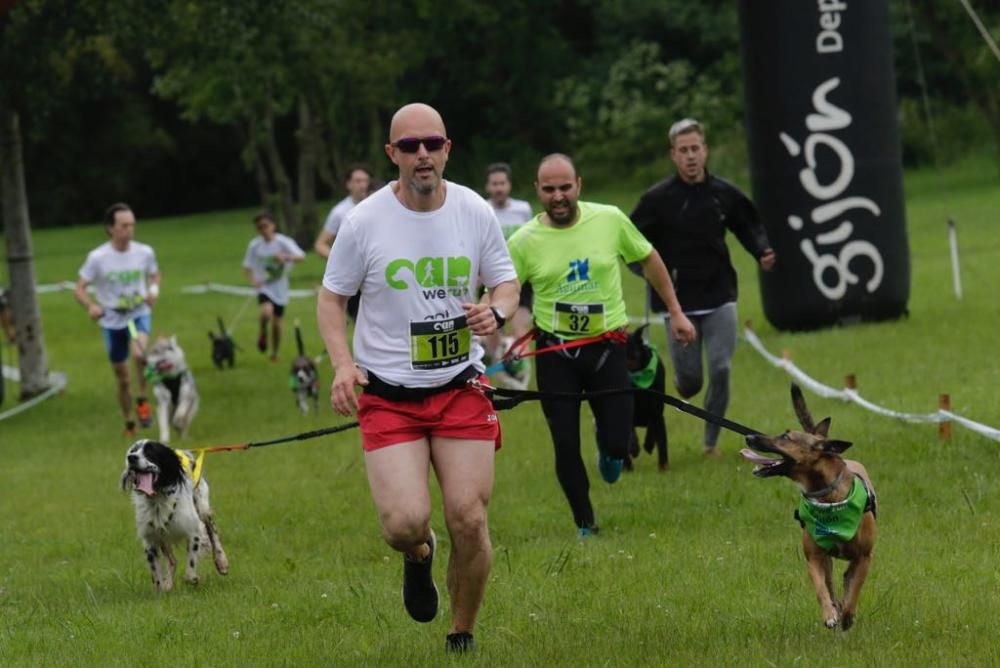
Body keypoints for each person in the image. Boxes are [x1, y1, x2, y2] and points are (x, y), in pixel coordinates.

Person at [317, 102, 519, 654]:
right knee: (404, 523)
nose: (422, 154)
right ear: (393, 155)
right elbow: (332, 298)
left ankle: (461, 634)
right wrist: (342, 364)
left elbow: (505, 283)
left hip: (459, 388)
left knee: (470, 519)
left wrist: (496, 313)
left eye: (432, 143)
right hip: (389, 396)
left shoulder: (476, 211)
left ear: (448, 148)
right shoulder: (364, 222)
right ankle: (418, 554)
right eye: (410, 146)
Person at [507, 154, 695, 536]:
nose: (558, 196)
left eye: (565, 187)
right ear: (537, 191)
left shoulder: (609, 219)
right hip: (555, 353)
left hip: (609, 349)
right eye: (549, 190)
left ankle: (609, 449)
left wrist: (675, 311)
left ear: (579, 184)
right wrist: (499, 326)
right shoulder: (524, 241)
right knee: (564, 442)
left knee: (617, 442)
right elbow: (505, 290)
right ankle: (585, 523)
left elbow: (650, 259)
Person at [630, 118, 775, 458]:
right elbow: (629, 237)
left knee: (722, 367)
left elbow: (748, 225)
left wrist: (762, 250)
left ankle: (710, 442)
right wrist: (642, 270)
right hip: (677, 300)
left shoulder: (724, 193)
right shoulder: (657, 199)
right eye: (684, 151)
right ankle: (686, 380)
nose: (691, 156)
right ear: (673, 155)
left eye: (696, 149)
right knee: (691, 382)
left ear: (705, 151)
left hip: (720, 294)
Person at [74, 202, 160, 435]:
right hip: (112, 320)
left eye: (132, 225)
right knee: (122, 379)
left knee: (140, 355)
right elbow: (79, 288)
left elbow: (154, 275)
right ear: (110, 228)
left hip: (138, 313)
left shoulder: (144, 252)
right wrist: (91, 306)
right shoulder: (98, 257)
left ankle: (142, 401)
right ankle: (129, 421)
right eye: (123, 225)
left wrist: (153, 293)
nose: (129, 230)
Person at [482, 163, 534, 378]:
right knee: (492, 326)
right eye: (494, 184)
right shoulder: (482, 209)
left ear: (509, 185)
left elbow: (532, 240)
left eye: (502, 183)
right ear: (488, 187)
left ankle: (522, 373)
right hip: (491, 278)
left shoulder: (523, 210)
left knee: (520, 326)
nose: (499, 188)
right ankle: (497, 372)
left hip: (520, 277)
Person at [242, 212, 306, 361]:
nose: (263, 230)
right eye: (260, 227)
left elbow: (301, 256)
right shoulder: (254, 245)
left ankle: (275, 353)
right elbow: (247, 267)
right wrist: (253, 281)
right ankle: (263, 331)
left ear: (273, 226)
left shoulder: (284, 242)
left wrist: (286, 257)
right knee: (266, 313)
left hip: (280, 287)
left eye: (266, 226)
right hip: (264, 286)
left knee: (277, 324)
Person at [314, 165, 373, 321]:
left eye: (366, 180)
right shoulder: (340, 212)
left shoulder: (378, 206)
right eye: (358, 181)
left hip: (377, 274)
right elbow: (320, 244)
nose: (363, 185)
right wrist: (343, 259)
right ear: (349, 184)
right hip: (353, 279)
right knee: (361, 322)